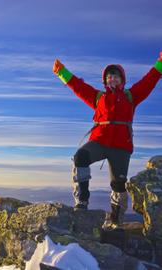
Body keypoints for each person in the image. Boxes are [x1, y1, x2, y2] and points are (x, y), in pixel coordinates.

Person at [53, 52, 162, 230]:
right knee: (80, 157)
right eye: (109, 77)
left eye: (116, 76)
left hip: (121, 147)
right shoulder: (98, 98)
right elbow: (78, 87)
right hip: (100, 141)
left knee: (118, 184)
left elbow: (149, 80)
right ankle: (82, 200)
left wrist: (160, 64)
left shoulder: (131, 96)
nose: (112, 79)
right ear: (105, 81)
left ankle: (116, 218)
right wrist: (61, 72)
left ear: (122, 80)